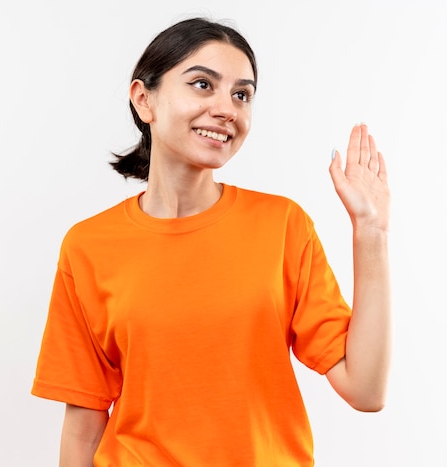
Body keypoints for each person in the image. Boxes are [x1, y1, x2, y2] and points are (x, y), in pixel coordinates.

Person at [31, 16, 391, 466]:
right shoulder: (88, 246)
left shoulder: (282, 226)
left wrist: (370, 232)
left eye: (242, 94)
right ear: (144, 100)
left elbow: (365, 389)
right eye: (203, 85)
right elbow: (84, 421)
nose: (228, 109)